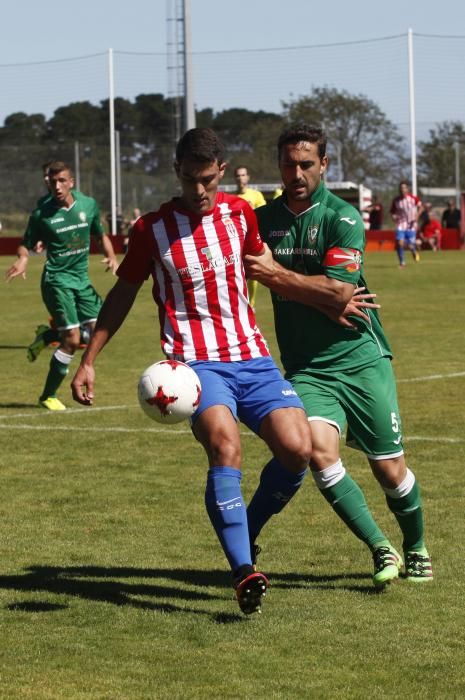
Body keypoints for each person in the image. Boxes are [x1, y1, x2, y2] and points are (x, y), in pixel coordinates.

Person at [70, 128, 315, 615]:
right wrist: (89, 359)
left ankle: (245, 526)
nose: (197, 191)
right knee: (226, 445)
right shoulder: (150, 230)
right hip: (196, 365)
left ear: (220, 171)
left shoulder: (241, 214)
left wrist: (323, 299)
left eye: (205, 180)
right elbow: (121, 295)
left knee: (297, 450)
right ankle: (244, 570)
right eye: (188, 180)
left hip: (253, 357)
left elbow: (268, 271)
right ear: (177, 173)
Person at [244, 123, 433, 586]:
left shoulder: (343, 217)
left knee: (390, 469)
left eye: (306, 164)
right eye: (289, 164)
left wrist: (276, 275)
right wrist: (321, 294)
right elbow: (326, 293)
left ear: (324, 165)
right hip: (308, 368)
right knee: (317, 451)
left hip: (361, 358)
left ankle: (416, 546)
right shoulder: (263, 222)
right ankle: (380, 547)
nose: (297, 172)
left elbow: (341, 289)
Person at [6, 161, 118, 411]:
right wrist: (23, 258)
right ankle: (48, 396)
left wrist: (111, 256)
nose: (56, 186)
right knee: (72, 339)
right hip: (56, 281)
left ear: (71, 182)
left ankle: (47, 335)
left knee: (98, 332)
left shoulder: (88, 205)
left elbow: (100, 235)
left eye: (61, 181)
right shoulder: (41, 215)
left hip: (81, 281)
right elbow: (26, 243)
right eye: (52, 181)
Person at [234, 165, 266, 308]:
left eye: (243, 175)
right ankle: (238, 301)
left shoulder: (256, 195)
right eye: (238, 175)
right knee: (237, 272)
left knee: (254, 271)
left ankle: (250, 304)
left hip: (252, 238)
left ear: (248, 177)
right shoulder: (232, 198)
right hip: (237, 239)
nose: (241, 178)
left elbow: (264, 214)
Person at [390, 181, 423, 267]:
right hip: (401, 224)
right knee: (399, 242)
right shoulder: (396, 200)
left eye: (404, 188)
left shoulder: (413, 198)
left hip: (411, 224)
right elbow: (392, 212)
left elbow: (421, 207)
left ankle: (414, 250)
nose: (402, 190)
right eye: (401, 188)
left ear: (407, 189)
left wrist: (417, 216)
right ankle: (402, 263)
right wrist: (394, 217)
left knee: (411, 244)